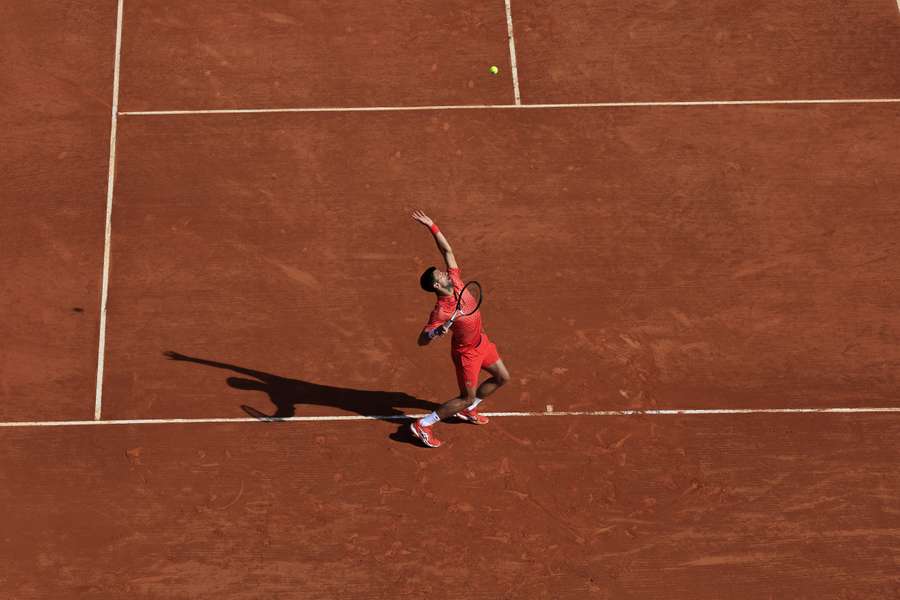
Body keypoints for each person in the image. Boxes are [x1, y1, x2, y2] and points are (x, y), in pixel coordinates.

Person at [409, 210, 510, 448]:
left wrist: (432, 225)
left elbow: (447, 251)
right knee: (465, 396)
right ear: (436, 285)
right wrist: (436, 332)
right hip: (467, 354)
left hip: (481, 342)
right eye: (440, 274)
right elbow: (421, 340)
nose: (445, 272)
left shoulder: (455, 282)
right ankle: (423, 424)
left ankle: (469, 410)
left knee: (502, 377)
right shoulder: (441, 311)